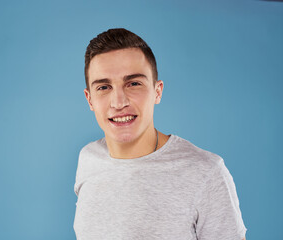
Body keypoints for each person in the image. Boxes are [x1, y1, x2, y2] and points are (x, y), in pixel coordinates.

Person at [73, 28, 247, 240]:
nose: (119, 102)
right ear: (89, 99)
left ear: (157, 91)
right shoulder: (88, 159)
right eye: (103, 87)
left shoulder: (206, 172)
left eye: (134, 84)